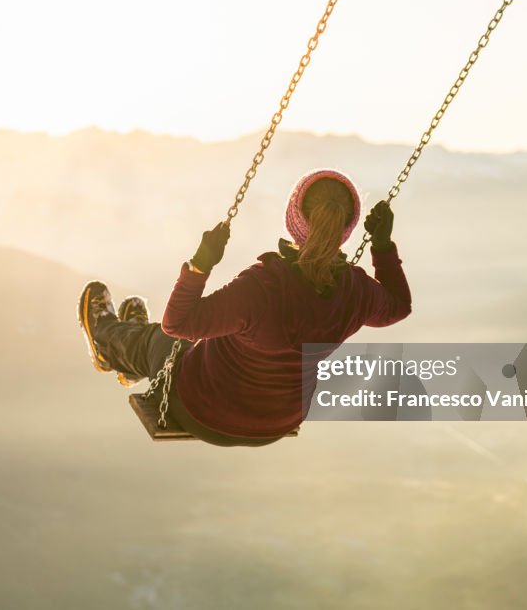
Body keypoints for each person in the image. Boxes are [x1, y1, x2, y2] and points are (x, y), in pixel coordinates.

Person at [77, 169, 412, 447]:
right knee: (183, 342)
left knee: (162, 340)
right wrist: (382, 245)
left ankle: (107, 343)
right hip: (278, 422)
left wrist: (200, 264)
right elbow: (398, 307)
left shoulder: (264, 286)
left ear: (292, 218)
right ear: (347, 229)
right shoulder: (355, 291)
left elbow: (177, 323)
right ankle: (131, 356)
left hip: (205, 413)